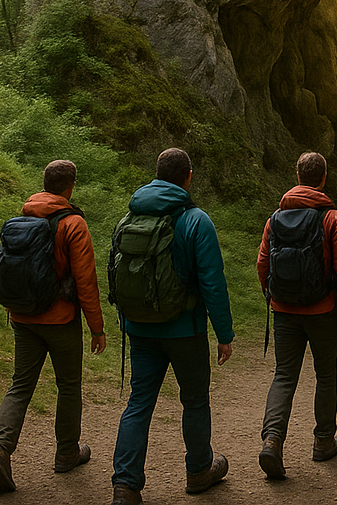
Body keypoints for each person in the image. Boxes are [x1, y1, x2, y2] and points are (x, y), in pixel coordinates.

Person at [110, 148, 235, 503]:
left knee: (139, 403)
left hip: (140, 327)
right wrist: (224, 334)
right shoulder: (196, 220)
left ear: (157, 173)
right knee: (194, 401)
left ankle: (125, 485)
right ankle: (199, 471)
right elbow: (212, 282)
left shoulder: (129, 217)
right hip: (185, 330)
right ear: (188, 177)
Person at [0, 159, 107, 493]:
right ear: (70, 187)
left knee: (20, 385)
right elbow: (86, 281)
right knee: (68, 385)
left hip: (23, 317)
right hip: (61, 320)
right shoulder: (73, 223)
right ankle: (66, 453)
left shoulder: (24, 216)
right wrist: (96, 328)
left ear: (45, 183)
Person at [256, 151, 337, 480]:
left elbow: (263, 263)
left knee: (284, 375)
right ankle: (324, 441)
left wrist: (272, 293)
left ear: (298, 176)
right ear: (323, 178)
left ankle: (272, 441)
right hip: (322, 311)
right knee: (326, 374)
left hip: (284, 311)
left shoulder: (275, 218)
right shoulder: (332, 219)